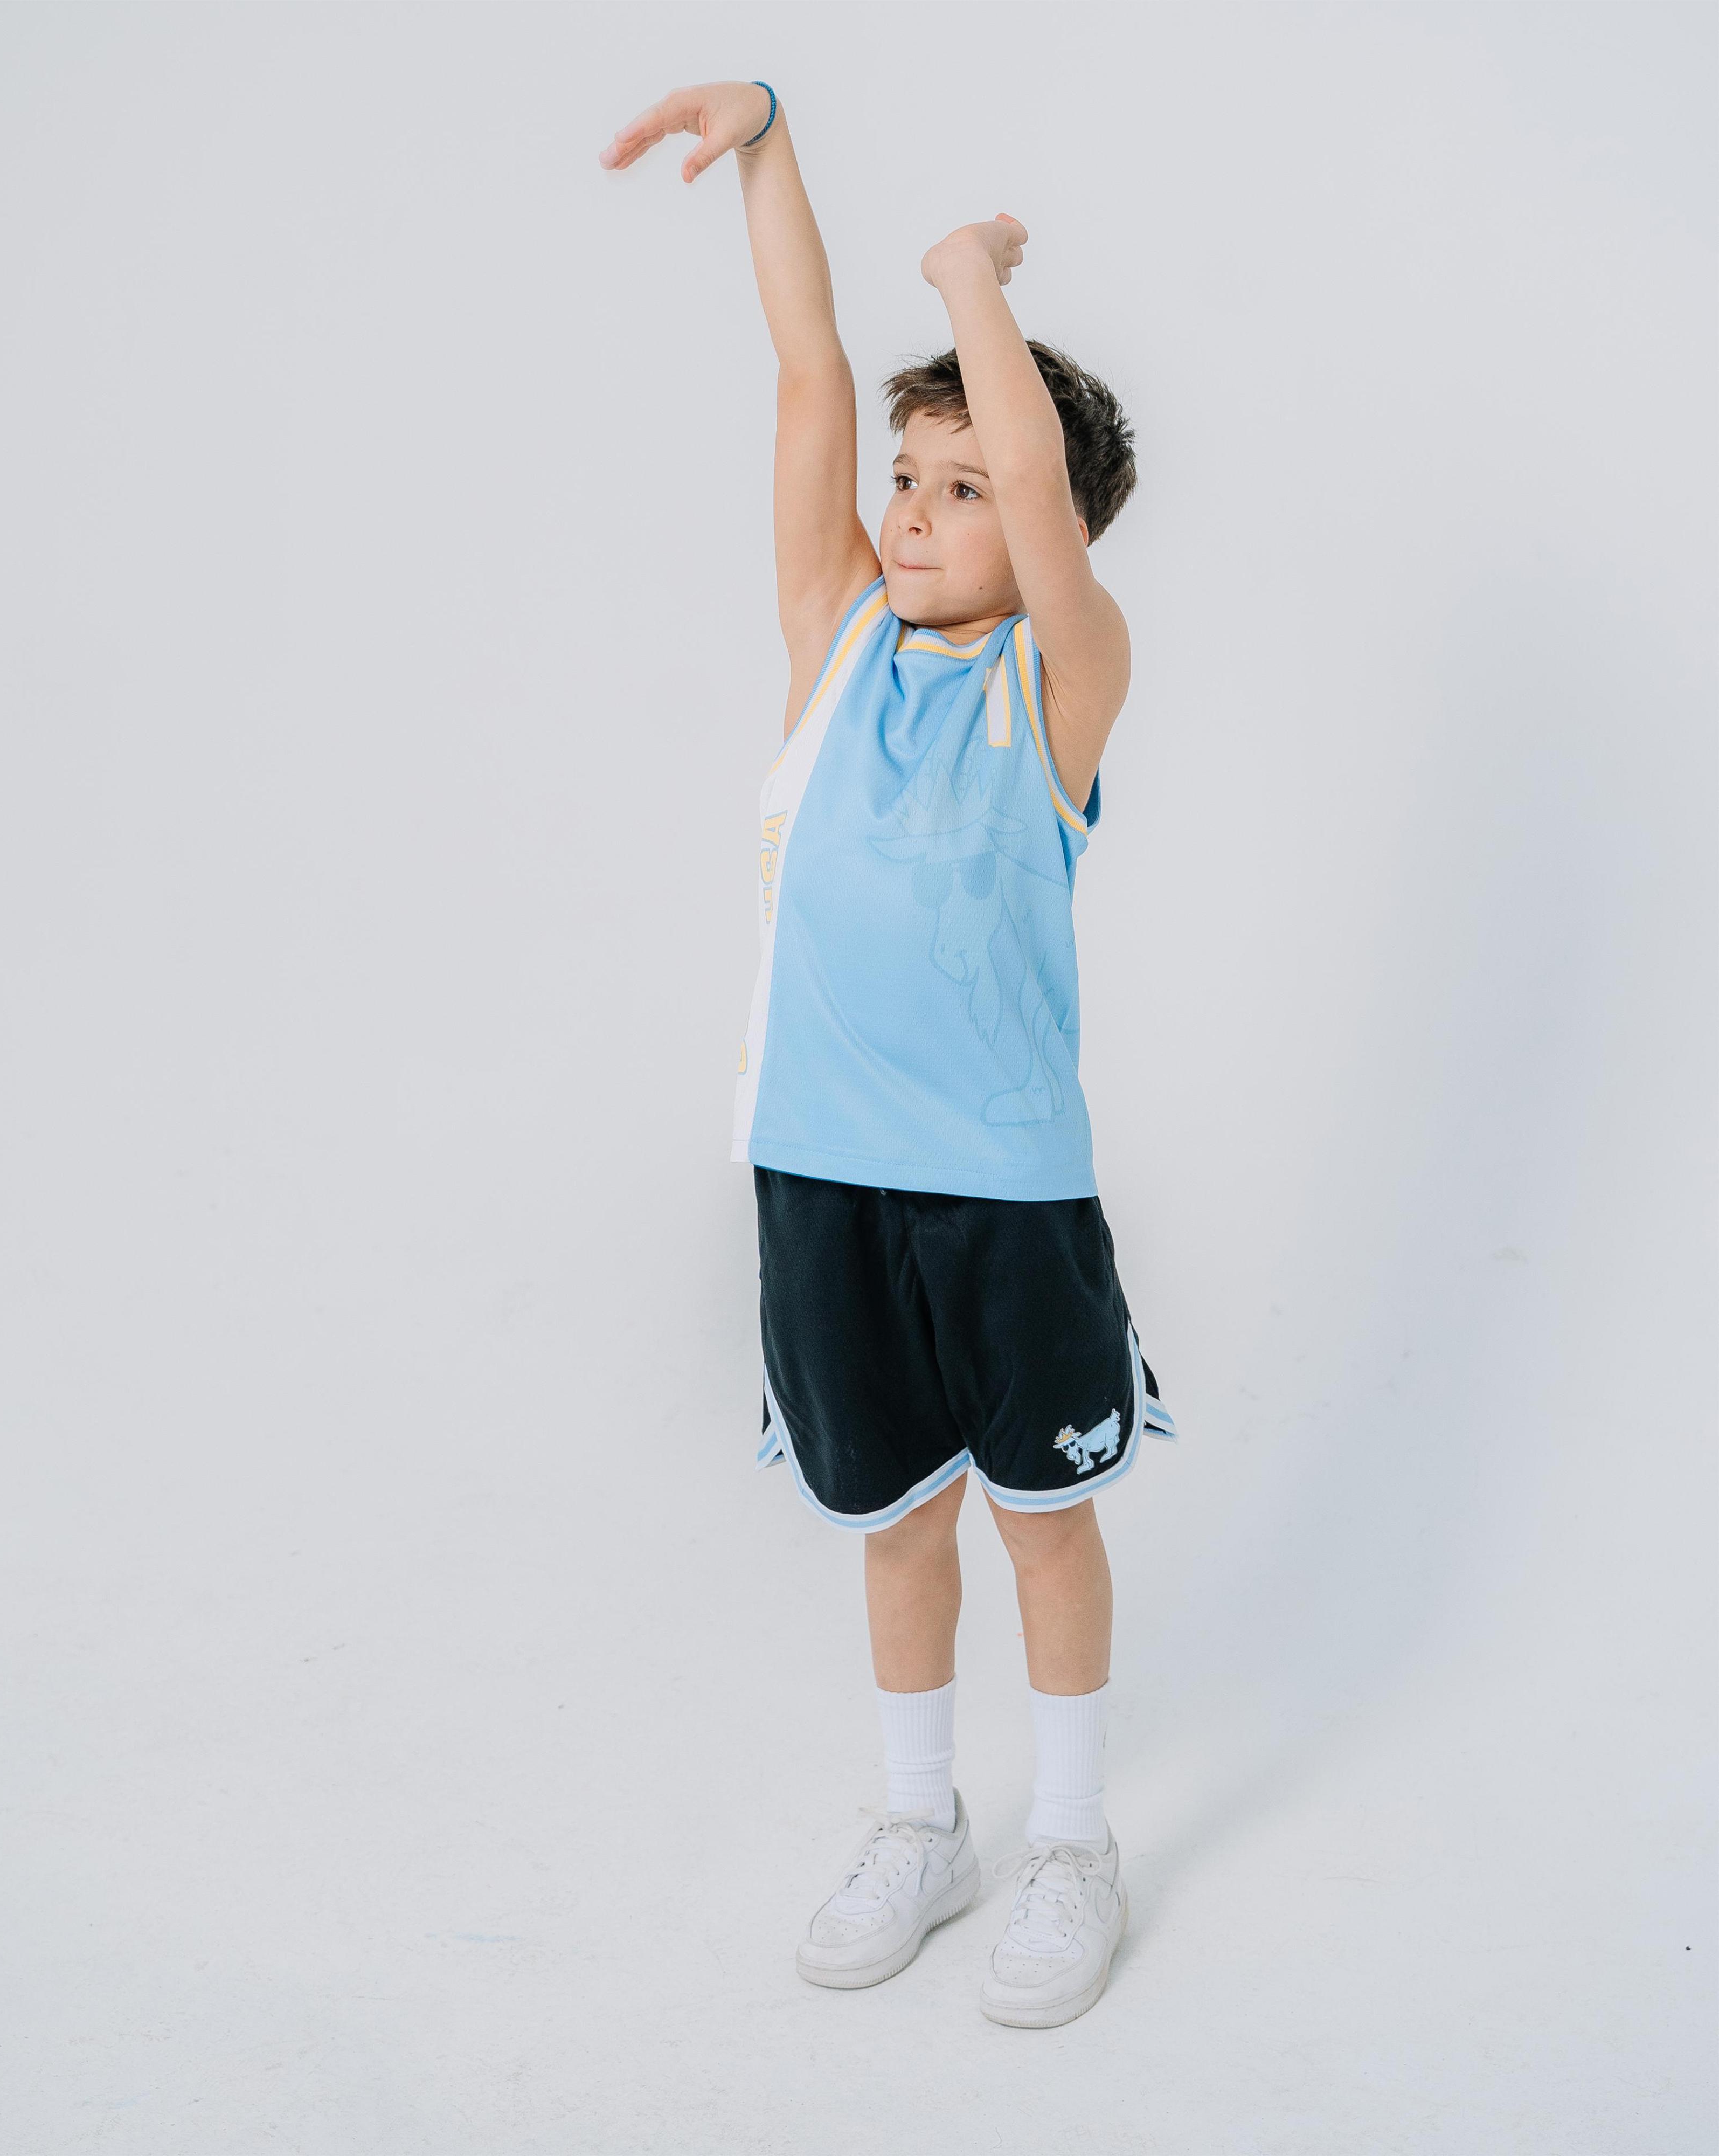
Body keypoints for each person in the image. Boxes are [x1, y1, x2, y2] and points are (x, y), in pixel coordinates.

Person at [600, 78, 1175, 2030]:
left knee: (1040, 1514)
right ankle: (922, 1820)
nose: (921, 514)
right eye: (907, 486)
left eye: (966, 489)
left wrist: (968, 282)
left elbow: (1031, 480)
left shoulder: (1061, 674)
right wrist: (772, 144)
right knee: (897, 1519)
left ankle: (1075, 1841)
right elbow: (802, 377)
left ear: (1050, 530)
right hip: (821, 1165)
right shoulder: (835, 639)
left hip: (1005, 1183)